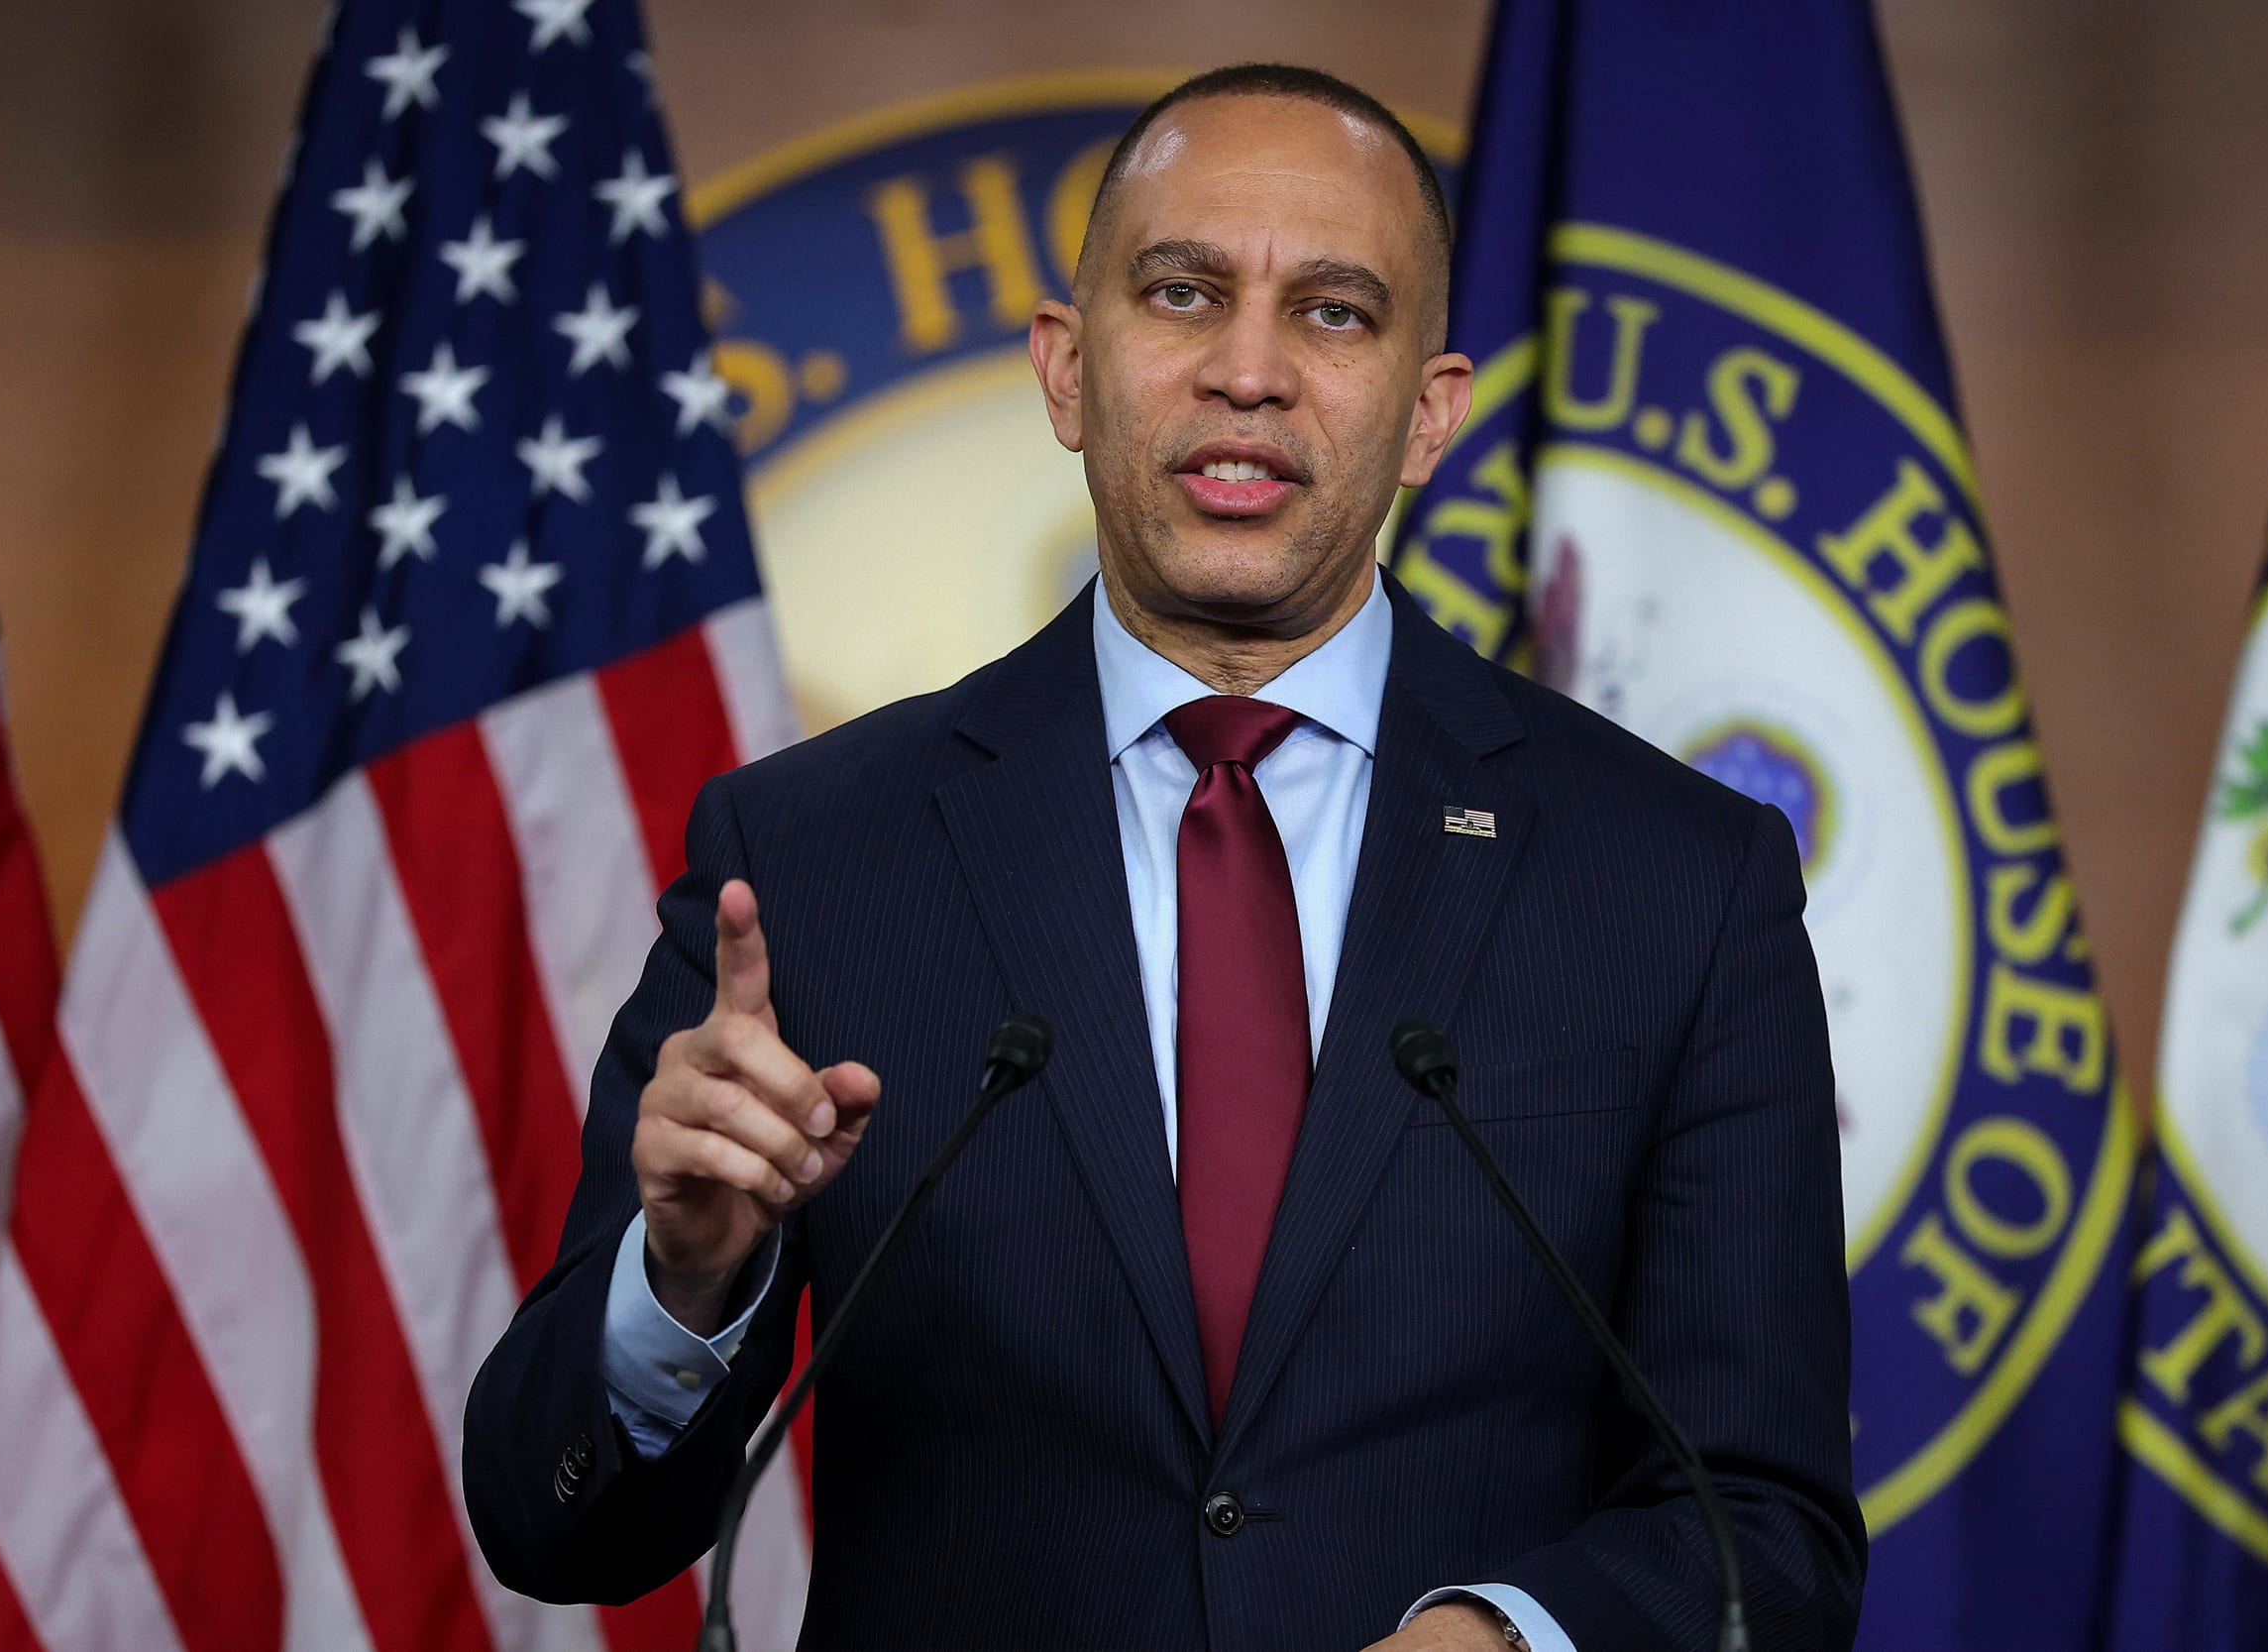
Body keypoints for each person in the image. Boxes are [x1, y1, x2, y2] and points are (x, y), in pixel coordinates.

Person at [463, 62, 1864, 1652]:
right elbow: (549, 1522)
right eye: (1183, 293)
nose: (1249, 373)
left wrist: (1508, 1640)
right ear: (1068, 371)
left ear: (1429, 412)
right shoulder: (805, 863)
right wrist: (686, 1278)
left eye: (1334, 314)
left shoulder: (1677, 884)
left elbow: (1769, 1530)